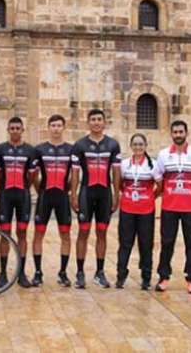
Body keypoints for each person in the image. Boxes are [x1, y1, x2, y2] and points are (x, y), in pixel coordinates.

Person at [154, 120, 191, 295]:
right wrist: (164, 193)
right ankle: (163, 277)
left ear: (186, 133)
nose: (178, 135)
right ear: (171, 134)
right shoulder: (163, 155)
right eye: (175, 132)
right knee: (167, 242)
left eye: (181, 132)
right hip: (169, 207)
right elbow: (159, 178)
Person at [70, 109, 121, 289]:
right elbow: (75, 172)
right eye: (93, 120)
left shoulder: (113, 145)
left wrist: (117, 194)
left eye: (100, 119)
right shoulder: (80, 145)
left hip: (104, 194)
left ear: (104, 122)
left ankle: (100, 272)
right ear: (88, 123)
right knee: (83, 232)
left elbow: (116, 171)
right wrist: (73, 194)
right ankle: (80, 272)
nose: (97, 122)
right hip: (86, 192)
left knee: (102, 232)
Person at [0, 117, 37, 288]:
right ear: (8, 130)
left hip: (22, 196)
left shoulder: (30, 150)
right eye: (12, 128)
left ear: (22, 130)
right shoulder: (0, 149)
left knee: (22, 233)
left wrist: (25, 187)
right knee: (4, 234)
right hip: (5, 196)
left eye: (18, 128)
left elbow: (32, 175)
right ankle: (3, 274)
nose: (15, 131)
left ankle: (21, 273)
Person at [32, 114, 75, 287]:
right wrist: (39, 190)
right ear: (48, 127)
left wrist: (70, 190)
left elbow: (75, 174)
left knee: (65, 234)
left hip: (62, 197)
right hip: (45, 196)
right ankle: (37, 271)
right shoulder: (40, 149)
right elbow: (34, 175)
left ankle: (63, 272)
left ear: (63, 128)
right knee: (38, 234)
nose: (56, 128)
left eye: (59, 125)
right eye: (53, 125)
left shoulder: (71, 150)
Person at [115, 133, 159, 290]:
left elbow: (160, 185)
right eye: (135, 144)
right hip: (127, 209)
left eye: (141, 144)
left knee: (146, 244)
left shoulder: (153, 165)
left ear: (145, 146)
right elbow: (120, 184)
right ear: (131, 146)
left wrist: (150, 196)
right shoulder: (124, 164)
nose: (138, 147)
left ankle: (146, 277)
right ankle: (121, 275)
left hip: (146, 210)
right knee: (125, 243)